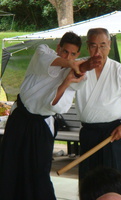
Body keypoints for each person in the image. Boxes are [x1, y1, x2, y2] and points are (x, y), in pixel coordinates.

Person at [0, 31, 101, 200]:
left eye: (73, 54)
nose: (68, 56)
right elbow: (45, 60)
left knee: (39, 173)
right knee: (10, 166)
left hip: (42, 125)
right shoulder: (43, 52)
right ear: (58, 48)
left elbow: (54, 105)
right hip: (20, 119)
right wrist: (73, 64)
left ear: (77, 54)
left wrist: (68, 80)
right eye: (65, 51)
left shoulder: (75, 76)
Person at [75, 28, 121, 194]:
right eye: (93, 46)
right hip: (89, 134)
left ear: (110, 46)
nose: (98, 51)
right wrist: (81, 69)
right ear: (87, 46)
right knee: (89, 183)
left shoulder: (120, 70)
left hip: (114, 134)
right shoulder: (78, 68)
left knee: (117, 181)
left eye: (103, 45)